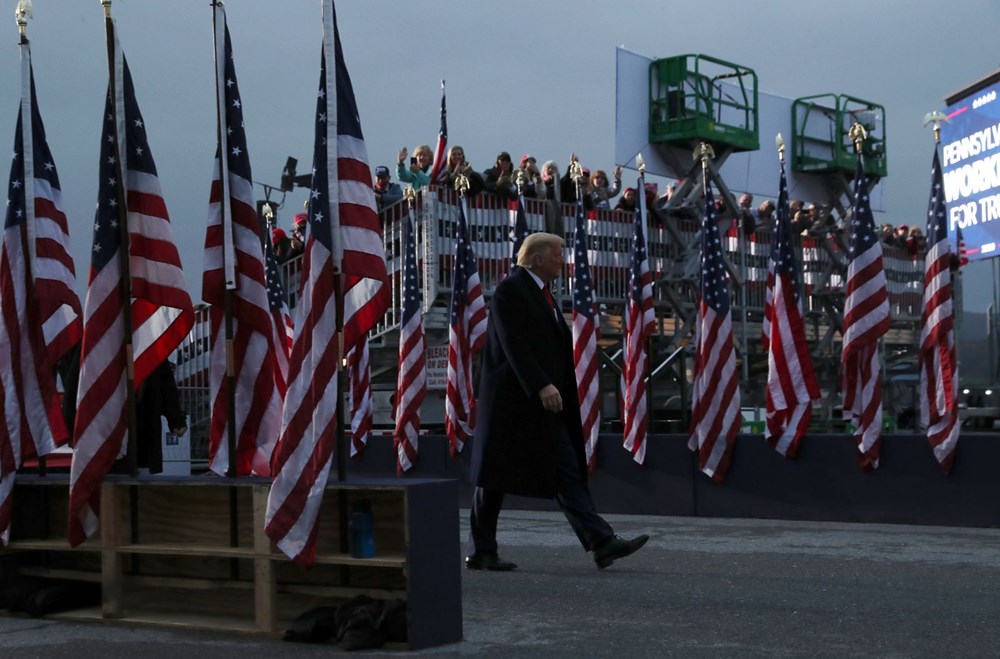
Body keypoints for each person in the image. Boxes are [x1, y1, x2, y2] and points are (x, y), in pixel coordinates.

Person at [466, 232, 649, 571]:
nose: (563, 261)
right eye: (557, 254)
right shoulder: (512, 289)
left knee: (562, 467)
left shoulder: (543, 295)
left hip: (541, 404)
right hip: (514, 402)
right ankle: (483, 550)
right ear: (536, 259)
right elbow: (512, 343)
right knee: (492, 478)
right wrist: (540, 385)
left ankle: (601, 541)